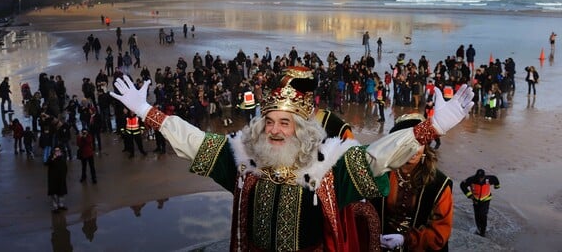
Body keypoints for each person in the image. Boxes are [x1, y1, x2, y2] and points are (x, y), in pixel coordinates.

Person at [111, 67, 474, 251]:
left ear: (302, 128)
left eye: (285, 122)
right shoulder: (243, 162)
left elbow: (378, 157)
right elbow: (193, 142)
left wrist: (432, 127)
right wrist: (147, 111)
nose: (275, 130)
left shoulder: (329, 167)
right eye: (269, 121)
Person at [371, 114, 453, 251]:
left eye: (419, 143)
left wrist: (406, 240)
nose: (413, 150)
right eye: (407, 144)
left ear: (426, 146)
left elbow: (440, 232)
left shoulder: (440, 184)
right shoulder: (381, 173)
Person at [460, 169, 501, 237]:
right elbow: (462, 185)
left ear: (484, 176)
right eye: (478, 177)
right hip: (475, 200)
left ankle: (483, 232)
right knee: (477, 215)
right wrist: (470, 196)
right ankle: (478, 228)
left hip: (486, 199)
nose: (480, 179)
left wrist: (497, 186)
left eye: (481, 178)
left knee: (483, 215)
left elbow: (495, 179)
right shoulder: (471, 179)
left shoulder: (489, 179)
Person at [46, 146, 68, 212]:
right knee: (54, 193)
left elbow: (65, 167)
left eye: (58, 150)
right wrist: (53, 158)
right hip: (53, 178)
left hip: (61, 177)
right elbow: (47, 163)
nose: (57, 152)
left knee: (61, 192)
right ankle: (55, 207)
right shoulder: (51, 157)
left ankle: (61, 205)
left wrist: (64, 175)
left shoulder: (62, 158)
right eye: (56, 151)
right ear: (54, 152)